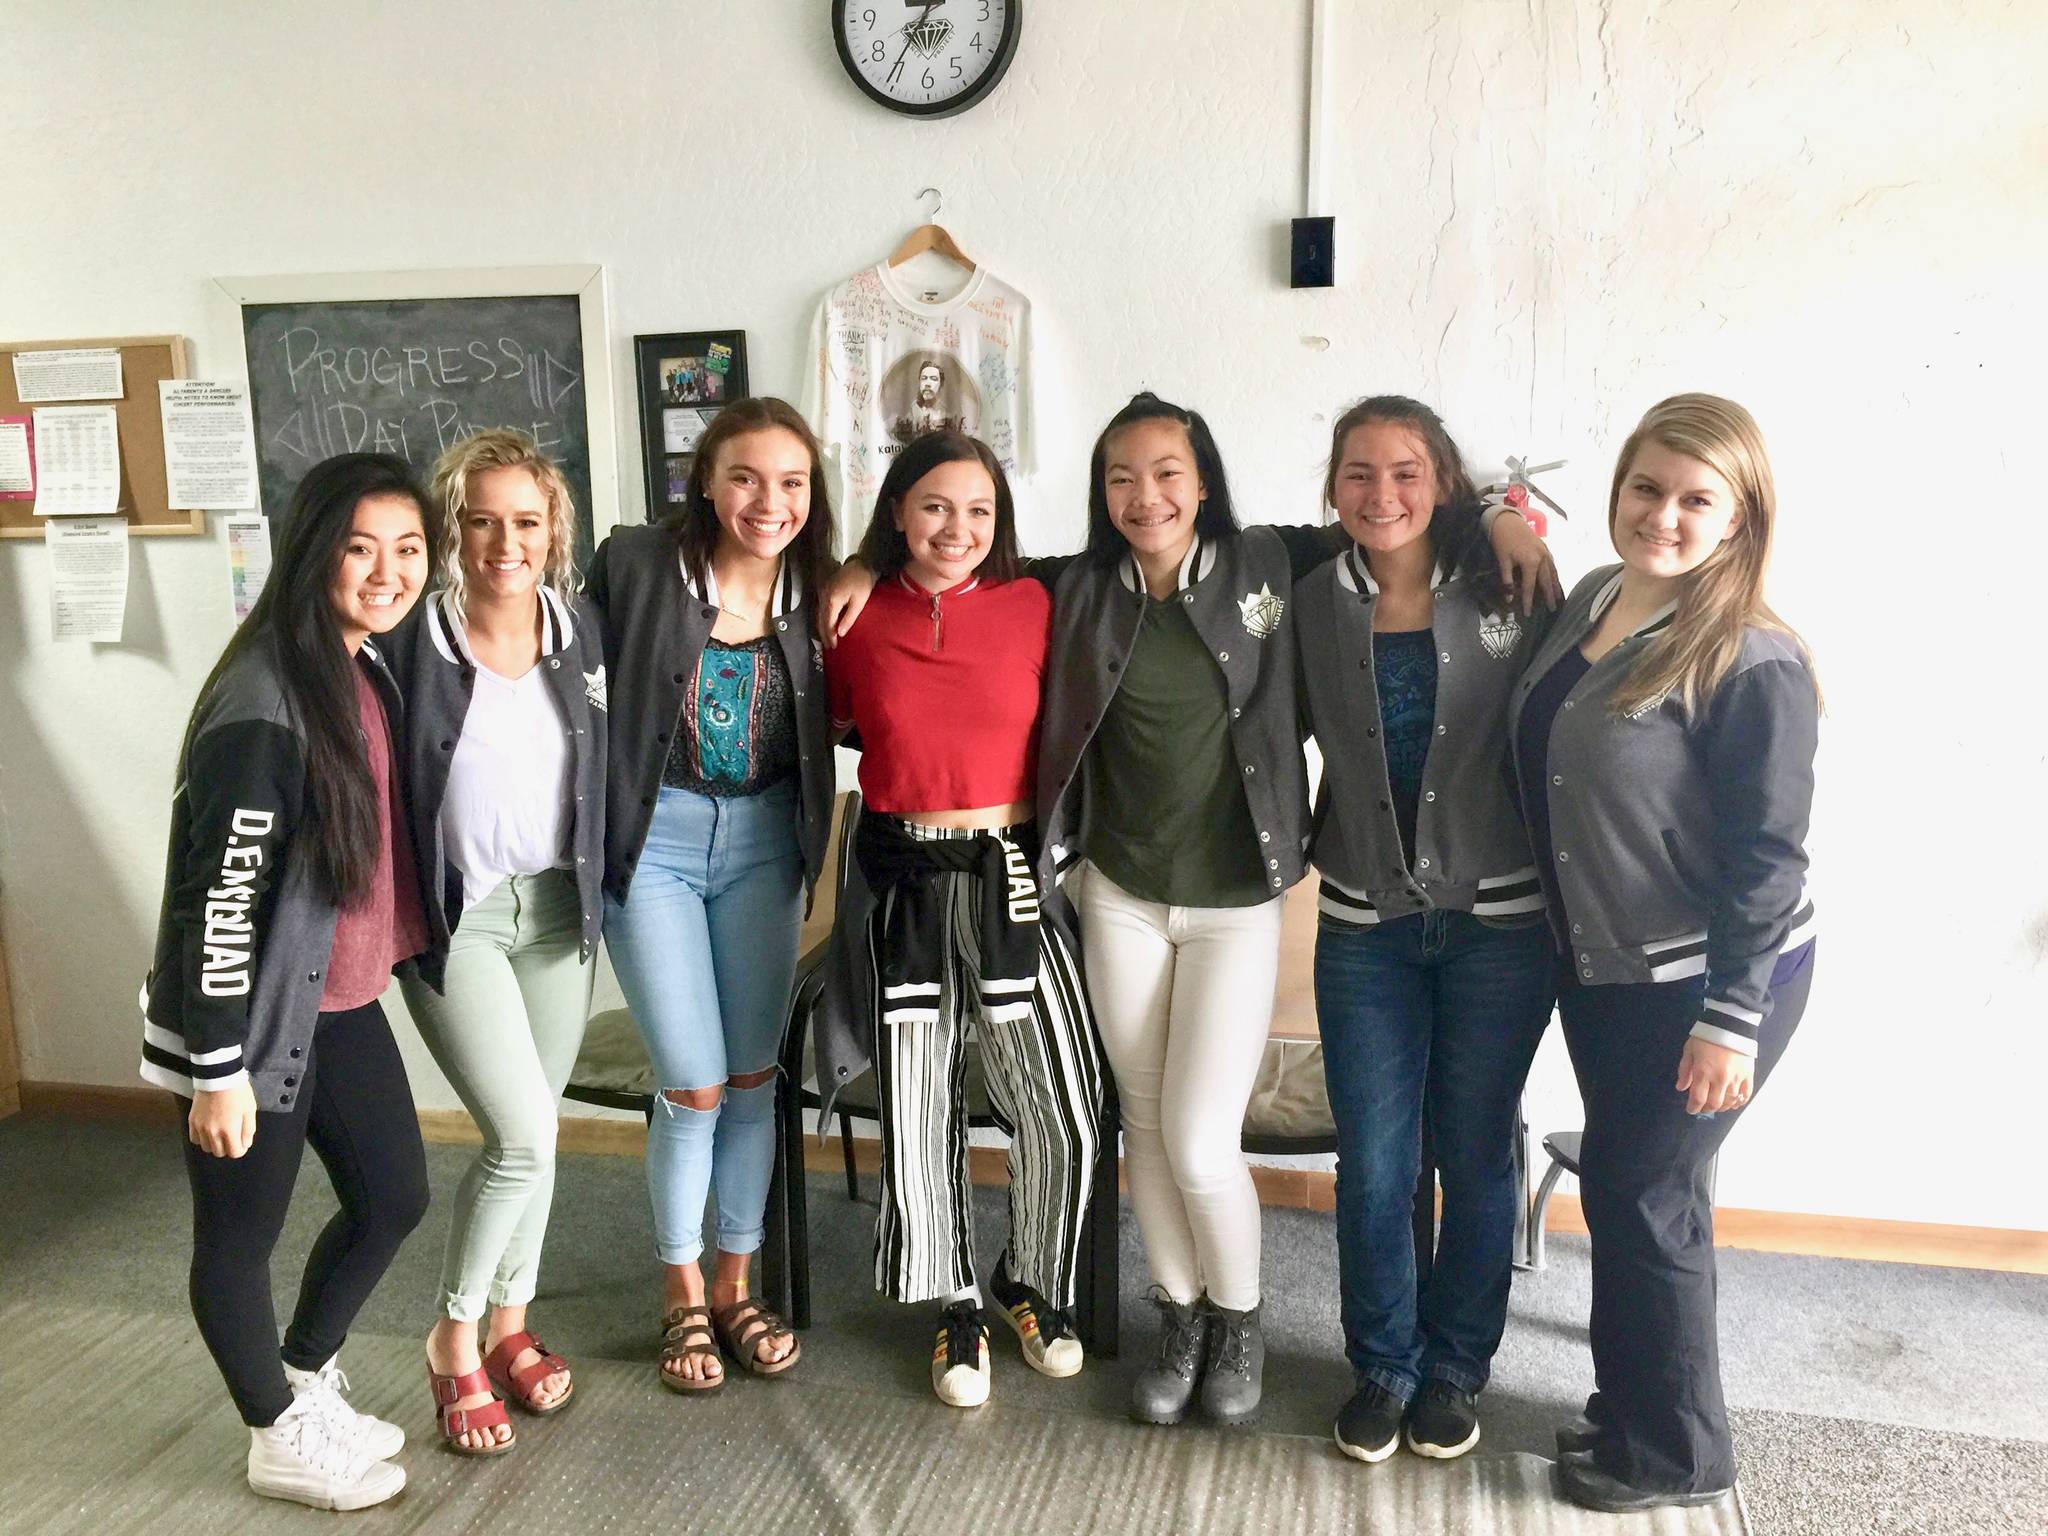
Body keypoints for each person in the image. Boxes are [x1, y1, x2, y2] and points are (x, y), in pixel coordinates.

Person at [823, 393, 1553, 1428]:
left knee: (1204, 1142)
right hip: (1116, 898)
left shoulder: (1269, 562)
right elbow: (952, 566)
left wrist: (1498, 515)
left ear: (1201, 480)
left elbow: (1393, 509)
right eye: (1120, 477)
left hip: (1235, 909)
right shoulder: (1071, 589)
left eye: (1166, 472)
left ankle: (1239, 1317)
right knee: (1149, 1131)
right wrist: (855, 565)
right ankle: (1180, 1316)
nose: (1144, 495)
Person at [1506, 394, 1819, 1513]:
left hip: (1704, 980)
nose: (1662, 516)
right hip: (1605, 966)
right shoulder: (1596, 598)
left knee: (1649, 1200)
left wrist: (1729, 1017)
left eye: (1696, 500)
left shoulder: (1750, 658)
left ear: (1738, 518)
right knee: (1628, 1194)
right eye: (1646, 487)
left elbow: (1767, 859)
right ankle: (1626, 1407)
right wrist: (1504, 518)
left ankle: (1680, 1455)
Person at [139, 453, 435, 1511]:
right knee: (237, 1238)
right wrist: (217, 1070)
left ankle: (303, 1374)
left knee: (394, 1195)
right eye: (360, 548)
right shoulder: (267, 696)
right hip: (249, 1028)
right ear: (314, 552)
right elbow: (218, 901)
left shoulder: (361, 666)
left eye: (407, 549)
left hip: (338, 1001)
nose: (386, 571)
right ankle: (271, 1431)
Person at [813, 429, 1104, 1410]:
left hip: (1013, 875)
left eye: (977, 510)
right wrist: (853, 565)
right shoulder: (848, 616)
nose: (956, 529)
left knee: (1061, 1103)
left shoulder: (1037, 604)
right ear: (896, 508)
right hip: (902, 879)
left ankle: (1029, 1280)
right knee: (918, 1108)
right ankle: (954, 1303)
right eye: (934, 506)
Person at [1295, 397, 1558, 1464]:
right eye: (1358, 473)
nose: (1381, 494)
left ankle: (1453, 1368)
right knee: (1373, 1161)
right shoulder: (1308, 597)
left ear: (1442, 481)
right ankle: (1382, 1365)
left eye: (1405, 472)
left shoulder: (1513, 581)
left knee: (1473, 1153)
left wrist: (1508, 509)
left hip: (1499, 924)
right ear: (1331, 487)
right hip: (1364, 923)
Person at [587, 396, 837, 1393]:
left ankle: (736, 1286)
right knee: (689, 1082)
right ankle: (680, 1291)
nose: (765, 502)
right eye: (742, 477)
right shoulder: (639, 565)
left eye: (790, 483)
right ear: (703, 480)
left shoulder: (820, 590)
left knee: (749, 1078)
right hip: (655, 845)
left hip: (765, 847)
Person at [388, 429, 606, 1454]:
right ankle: (454, 1337)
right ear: (454, 528)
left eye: (524, 521)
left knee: (542, 1131)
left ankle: (514, 1327)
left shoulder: (580, 631)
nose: (503, 542)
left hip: (556, 914)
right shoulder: (408, 644)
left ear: (553, 529)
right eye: (482, 521)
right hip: (458, 921)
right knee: (518, 1139)